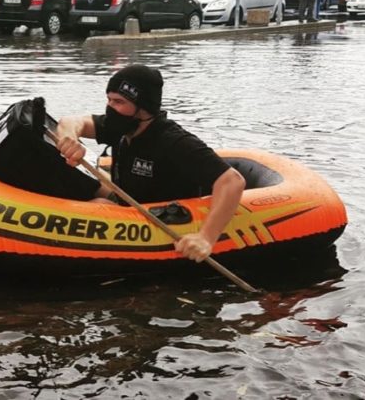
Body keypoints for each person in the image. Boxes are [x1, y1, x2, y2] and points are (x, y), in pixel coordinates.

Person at [55, 65, 246, 264]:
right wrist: (70, 138)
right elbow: (72, 121)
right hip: (130, 201)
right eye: (109, 99)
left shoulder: (174, 142)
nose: (110, 107)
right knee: (69, 178)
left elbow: (232, 181)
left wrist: (206, 237)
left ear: (143, 108)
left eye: (119, 101)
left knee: (97, 207)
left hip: (164, 220)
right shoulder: (121, 125)